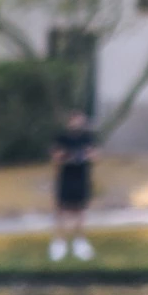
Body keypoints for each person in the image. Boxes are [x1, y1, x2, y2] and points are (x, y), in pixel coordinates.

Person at [50, 110, 96, 262]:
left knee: (80, 211)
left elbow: (94, 155)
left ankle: (79, 242)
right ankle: (60, 242)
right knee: (62, 210)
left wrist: (84, 155)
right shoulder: (62, 138)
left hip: (81, 178)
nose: (77, 122)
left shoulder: (87, 138)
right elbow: (57, 157)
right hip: (66, 178)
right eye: (74, 120)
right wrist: (70, 156)